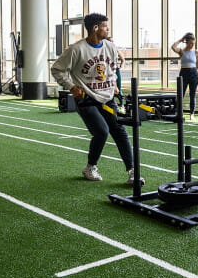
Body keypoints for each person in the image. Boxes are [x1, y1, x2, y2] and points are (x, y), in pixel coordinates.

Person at [51, 13, 140, 184]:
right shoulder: (76, 49)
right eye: (105, 26)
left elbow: (112, 68)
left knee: (119, 131)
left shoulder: (110, 47)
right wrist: (71, 87)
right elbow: (57, 69)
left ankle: (132, 172)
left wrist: (113, 83)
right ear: (95, 28)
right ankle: (90, 167)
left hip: (107, 98)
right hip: (86, 99)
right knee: (101, 131)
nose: (108, 29)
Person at [170, 32, 198, 121]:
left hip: (193, 73)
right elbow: (173, 47)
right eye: (190, 43)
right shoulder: (181, 51)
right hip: (184, 73)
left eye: (193, 43)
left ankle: (192, 114)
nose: (191, 45)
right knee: (180, 94)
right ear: (186, 42)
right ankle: (178, 112)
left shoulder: (196, 52)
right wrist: (181, 39)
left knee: (192, 95)